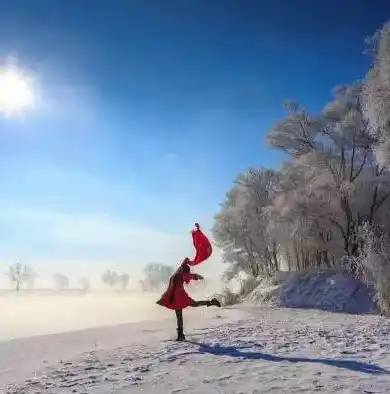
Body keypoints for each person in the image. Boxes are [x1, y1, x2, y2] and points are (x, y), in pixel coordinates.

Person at [156, 258, 221, 341]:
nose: (188, 273)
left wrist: (195, 275)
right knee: (191, 307)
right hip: (177, 296)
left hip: (179, 297)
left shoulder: (178, 273)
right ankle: (180, 335)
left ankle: (180, 335)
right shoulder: (181, 274)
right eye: (187, 271)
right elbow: (189, 273)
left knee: (186, 311)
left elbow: (189, 273)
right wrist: (196, 274)